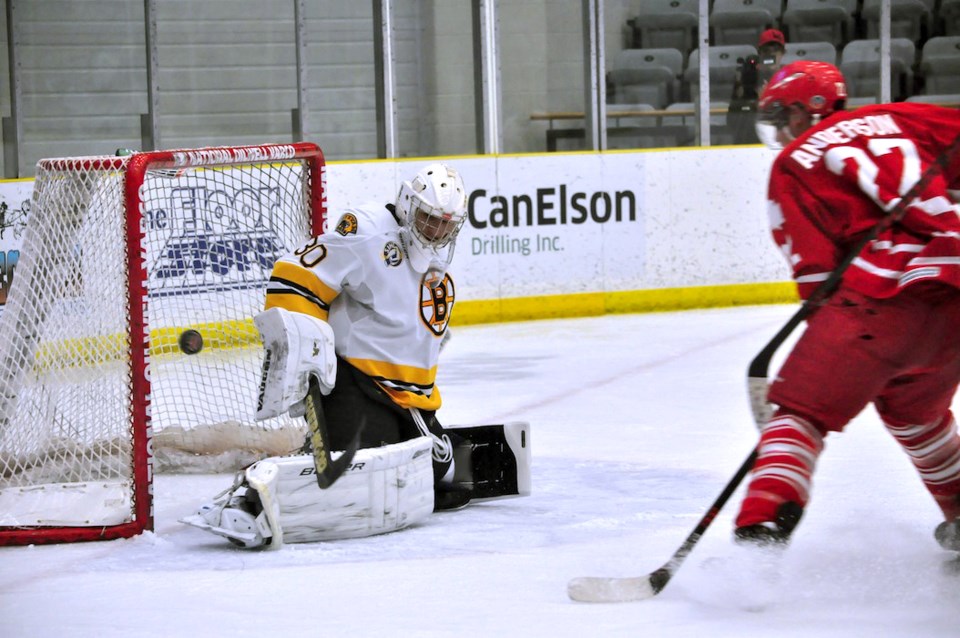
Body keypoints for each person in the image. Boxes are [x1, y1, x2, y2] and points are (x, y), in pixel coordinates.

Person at [182, 163, 531, 548]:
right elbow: (292, 277)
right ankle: (248, 499)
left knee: (444, 479)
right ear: (406, 203)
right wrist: (306, 356)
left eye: (446, 225)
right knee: (347, 475)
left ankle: (425, 444)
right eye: (429, 219)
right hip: (354, 385)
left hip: (410, 400)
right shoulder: (364, 231)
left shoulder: (434, 262)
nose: (436, 232)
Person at [734, 60, 960, 556]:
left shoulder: (792, 164)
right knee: (916, 413)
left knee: (798, 410)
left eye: (782, 114)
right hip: (955, 281)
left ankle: (760, 533)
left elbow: (815, 273)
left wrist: (830, 352)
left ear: (809, 108)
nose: (781, 127)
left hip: (881, 300)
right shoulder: (901, 117)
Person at [728, 28, 787, 144]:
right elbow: (731, 121)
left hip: (780, 143)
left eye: (776, 49)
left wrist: (767, 103)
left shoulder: (788, 79)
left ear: (783, 53)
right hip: (750, 143)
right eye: (766, 50)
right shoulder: (748, 79)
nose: (771, 54)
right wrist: (755, 104)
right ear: (759, 53)